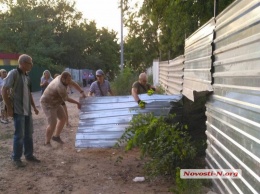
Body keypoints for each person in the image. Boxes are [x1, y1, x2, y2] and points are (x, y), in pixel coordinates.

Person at [2, 54, 40, 167]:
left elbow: (29, 94)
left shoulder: (27, 76)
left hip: (27, 110)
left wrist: (34, 107)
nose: (31, 65)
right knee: (19, 135)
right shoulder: (14, 73)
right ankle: (16, 158)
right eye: (29, 62)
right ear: (23, 63)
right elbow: (4, 90)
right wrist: (9, 107)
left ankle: (29, 155)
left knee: (29, 134)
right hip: (18, 110)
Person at [40, 71, 86, 145]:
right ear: (63, 79)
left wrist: (81, 91)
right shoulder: (60, 86)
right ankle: (47, 142)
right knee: (52, 123)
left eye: (69, 80)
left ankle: (56, 136)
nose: (69, 82)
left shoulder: (63, 78)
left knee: (63, 118)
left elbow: (73, 84)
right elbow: (67, 99)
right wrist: (77, 103)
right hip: (47, 103)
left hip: (56, 102)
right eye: (67, 80)